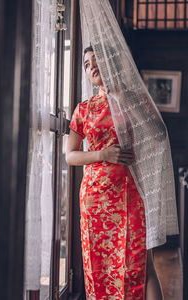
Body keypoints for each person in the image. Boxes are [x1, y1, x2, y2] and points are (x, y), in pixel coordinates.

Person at [66, 46, 163, 299]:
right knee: (97, 268)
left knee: (139, 266)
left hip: (131, 194)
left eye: (96, 60)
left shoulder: (133, 100)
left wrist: (120, 97)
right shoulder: (84, 109)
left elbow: (158, 134)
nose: (91, 66)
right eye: (86, 64)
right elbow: (71, 155)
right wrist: (102, 154)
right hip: (94, 199)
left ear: (112, 62)